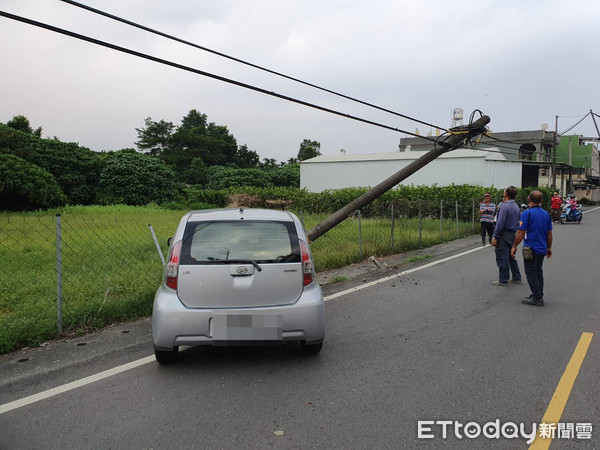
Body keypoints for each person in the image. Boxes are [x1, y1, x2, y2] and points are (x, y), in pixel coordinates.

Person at [511, 190, 553, 306]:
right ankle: (538, 294)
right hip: (542, 248)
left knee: (531, 272)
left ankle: (537, 298)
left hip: (531, 248)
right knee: (538, 271)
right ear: (542, 201)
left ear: (528, 199)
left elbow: (521, 232)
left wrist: (514, 246)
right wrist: (549, 248)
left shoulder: (527, 214)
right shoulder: (546, 214)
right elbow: (549, 233)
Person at [490, 186, 522, 286]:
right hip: (512, 233)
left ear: (506, 194)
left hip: (503, 233)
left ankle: (503, 279)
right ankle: (517, 277)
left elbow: (500, 223)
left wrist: (495, 236)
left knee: (502, 256)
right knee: (511, 256)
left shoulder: (504, 206)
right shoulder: (516, 206)